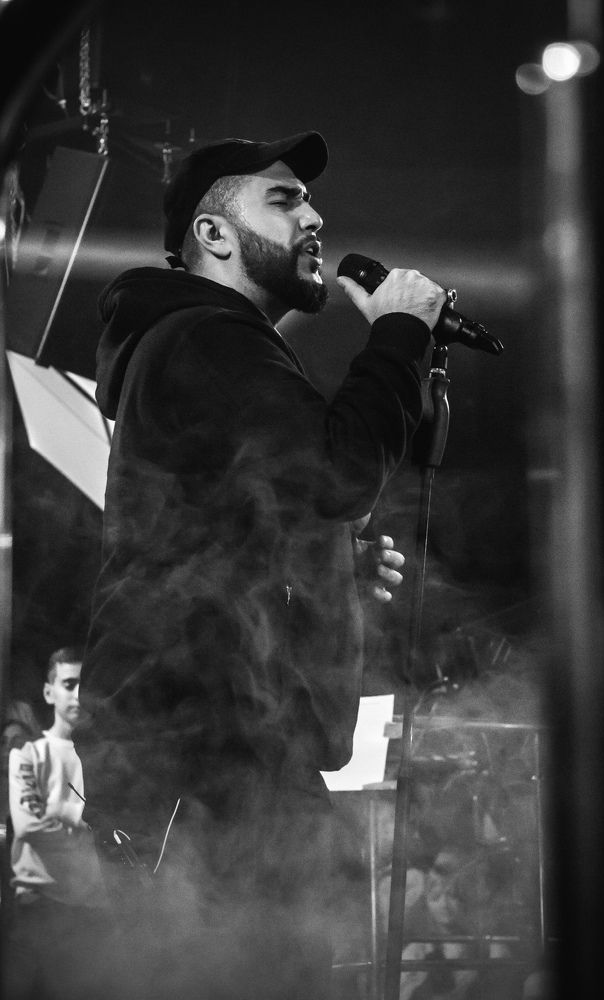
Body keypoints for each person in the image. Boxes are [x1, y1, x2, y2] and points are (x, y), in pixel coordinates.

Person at [76, 129, 447, 1000]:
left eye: (309, 200)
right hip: (207, 764)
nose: (314, 217)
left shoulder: (207, 346)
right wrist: (398, 335)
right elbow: (339, 470)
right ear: (213, 233)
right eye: (283, 200)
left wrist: (326, 571)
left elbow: (238, 526)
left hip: (215, 756)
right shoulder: (209, 336)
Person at [3, 647, 110, 1000]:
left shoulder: (81, 756)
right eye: (68, 684)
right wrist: (76, 831)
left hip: (78, 906)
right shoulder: (28, 753)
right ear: (49, 692)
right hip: (40, 906)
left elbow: (83, 829)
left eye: (82, 686)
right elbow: (30, 826)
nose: (77, 695)